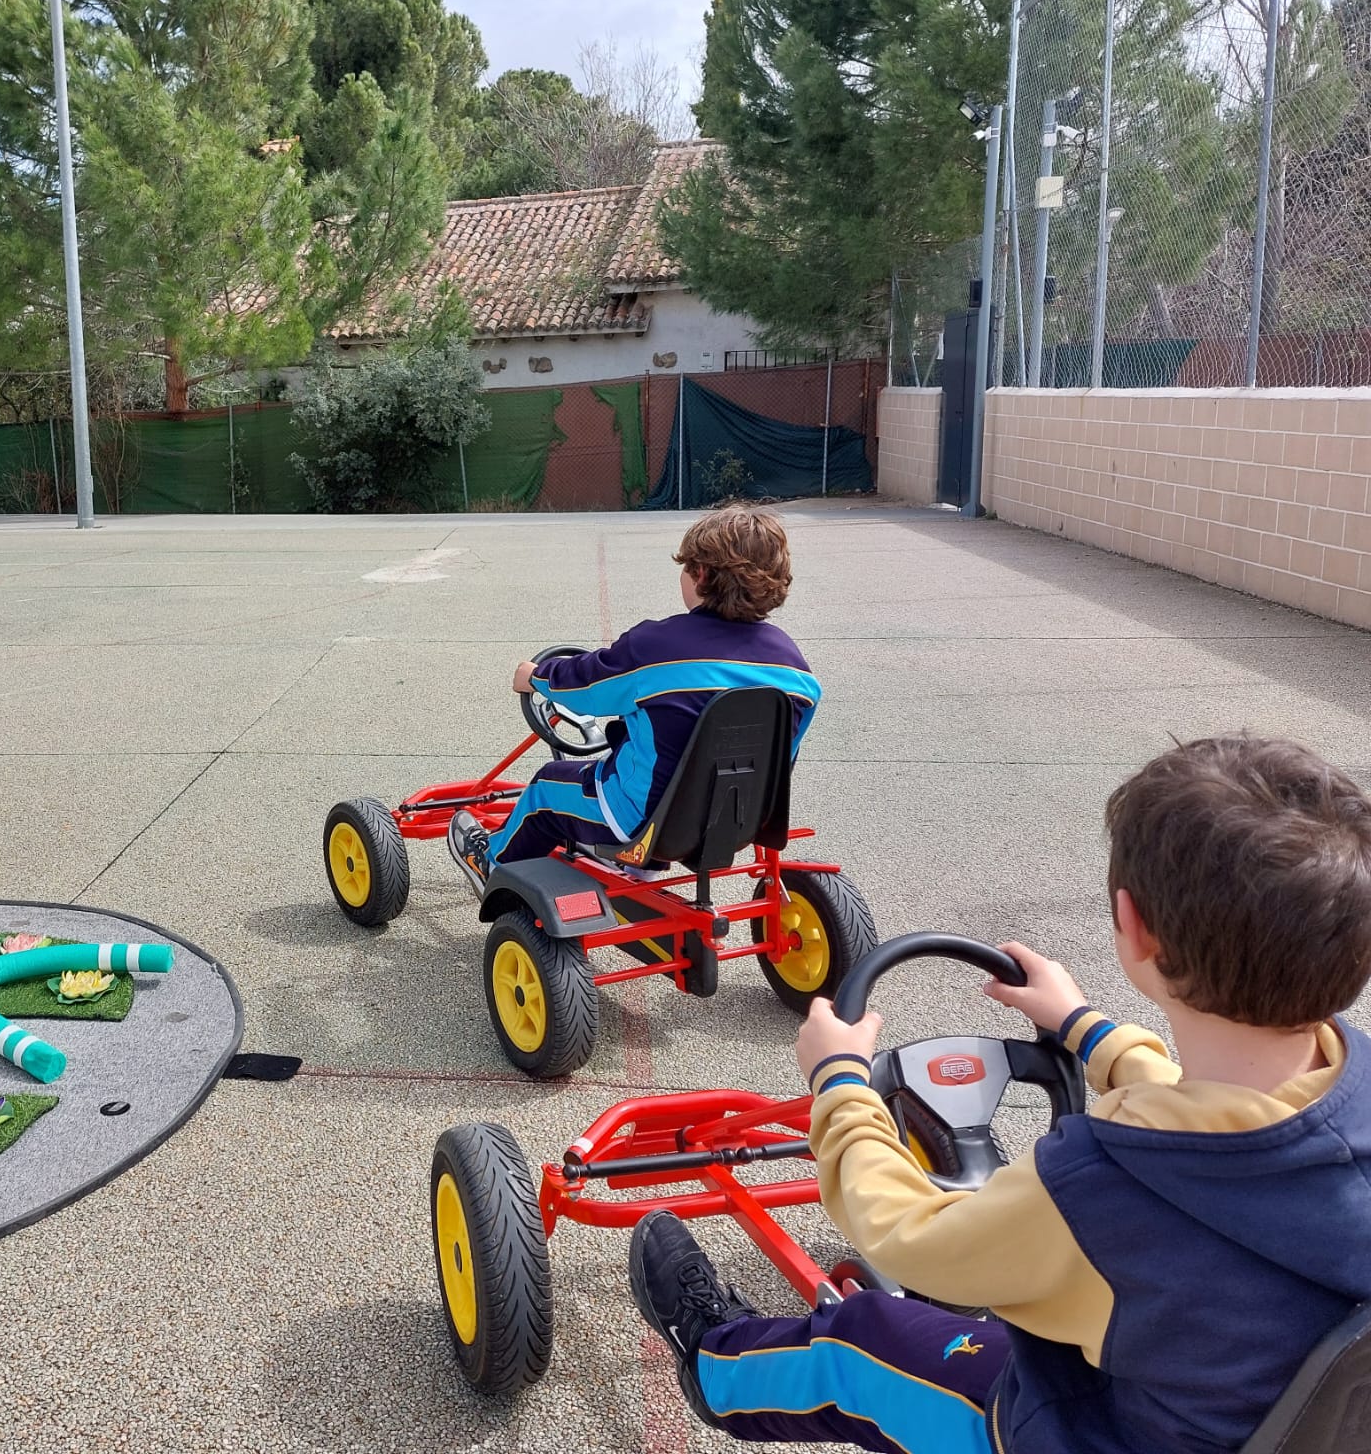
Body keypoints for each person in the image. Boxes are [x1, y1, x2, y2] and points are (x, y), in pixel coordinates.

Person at [627, 735, 1371, 1454]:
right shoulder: (1350, 1088)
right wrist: (1085, 1029)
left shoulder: (1099, 1189)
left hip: (1084, 1432)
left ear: (1131, 926)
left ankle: (712, 1359)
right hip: (1258, 1415)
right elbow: (1240, 1131)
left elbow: (909, 1238)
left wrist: (841, 1082)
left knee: (862, 1342)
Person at [446, 506, 821, 893]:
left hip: (640, 820)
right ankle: (641, 870)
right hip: (737, 824)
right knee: (655, 749)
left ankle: (490, 863)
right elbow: (782, 756)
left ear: (702, 574)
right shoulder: (796, 669)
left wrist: (537, 678)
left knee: (546, 787)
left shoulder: (656, 647)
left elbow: (587, 688)